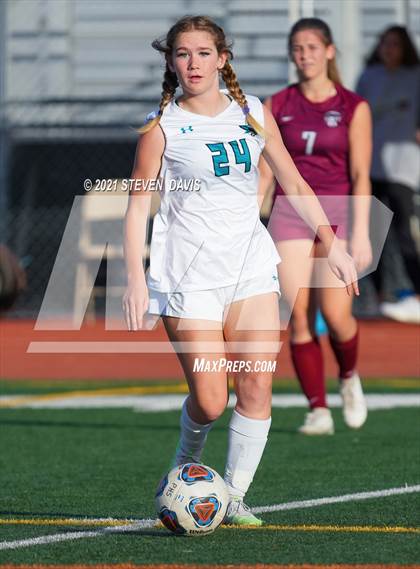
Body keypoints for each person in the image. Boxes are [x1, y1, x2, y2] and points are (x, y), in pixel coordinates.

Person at [123, 16, 358, 525]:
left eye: (204, 53)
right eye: (183, 54)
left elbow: (293, 182)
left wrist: (332, 245)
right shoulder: (159, 126)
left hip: (251, 268)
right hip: (187, 278)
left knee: (256, 386)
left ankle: (232, 497)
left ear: (222, 59)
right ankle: (184, 467)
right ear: (170, 61)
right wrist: (136, 276)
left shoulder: (253, 111)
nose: (193, 64)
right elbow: (138, 205)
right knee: (211, 400)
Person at [262, 18, 372, 435]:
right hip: (290, 212)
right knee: (298, 315)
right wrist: (252, 216)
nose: (303, 54)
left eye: (311, 46)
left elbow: (360, 174)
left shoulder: (353, 106)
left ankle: (348, 376)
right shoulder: (278, 104)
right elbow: (267, 172)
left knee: (336, 313)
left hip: (339, 212)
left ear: (329, 51)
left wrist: (360, 233)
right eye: (297, 48)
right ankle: (318, 409)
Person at [356, 25, 420, 324]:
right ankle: (381, 296)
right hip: (370, 167)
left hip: (403, 168)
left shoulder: (416, 77)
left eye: (394, 44)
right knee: (374, 234)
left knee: (404, 233)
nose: (389, 49)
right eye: (384, 43)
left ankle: (416, 294)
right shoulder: (369, 77)